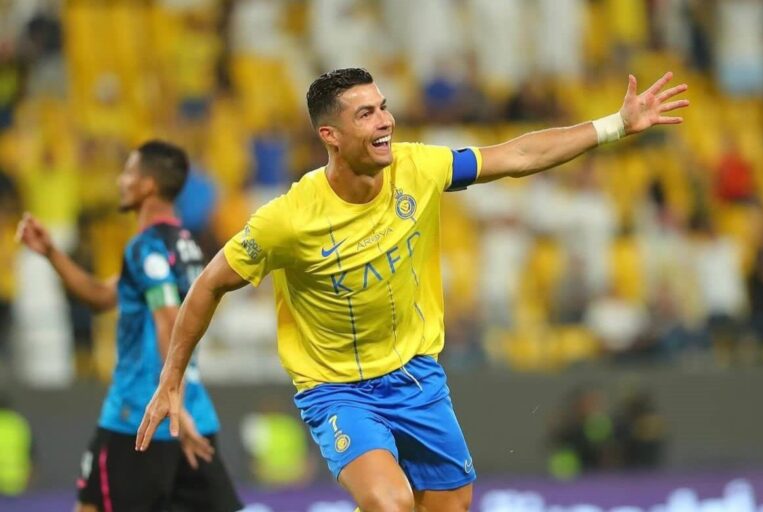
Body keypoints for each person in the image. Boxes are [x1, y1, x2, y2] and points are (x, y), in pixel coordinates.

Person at [136, 68, 688, 511]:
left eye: (383, 107)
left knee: (451, 504)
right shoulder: (288, 220)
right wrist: (172, 377)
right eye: (366, 114)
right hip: (338, 389)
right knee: (389, 502)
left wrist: (615, 125)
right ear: (330, 136)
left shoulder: (418, 168)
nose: (385, 121)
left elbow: (515, 156)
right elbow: (208, 285)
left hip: (417, 378)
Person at [17, 141, 241, 512]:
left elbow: (168, 318)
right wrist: (52, 253)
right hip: (194, 417)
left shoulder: (144, 249)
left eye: (128, 173)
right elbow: (101, 297)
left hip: (139, 419)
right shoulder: (186, 246)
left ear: (148, 185)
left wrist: (173, 400)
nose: (121, 181)